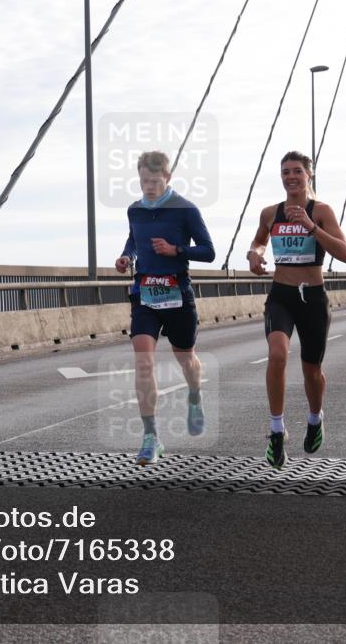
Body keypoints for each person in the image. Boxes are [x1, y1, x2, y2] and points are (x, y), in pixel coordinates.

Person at [247, 151, 346, 467]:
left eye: (296, 171)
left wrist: (311, 227)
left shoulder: (320, 211)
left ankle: (315, 418)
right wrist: (254, 255)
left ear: (309, 176)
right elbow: (259, 242)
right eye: (285, 172)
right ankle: (277, 431)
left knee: (312, 371)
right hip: (281, 295)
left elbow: (344, 253)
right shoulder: (269, 213)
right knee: (277, 355)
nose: (290, 177)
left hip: (314, 300)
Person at [115, 151, 215, 465]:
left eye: (155, 182)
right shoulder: (135, 210)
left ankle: (195, 395)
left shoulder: (186, 209)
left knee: (185, 358)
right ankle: (151, 436)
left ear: (168, 179)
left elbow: (209, 251)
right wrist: (126, 257)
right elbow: (134, 239)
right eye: (144, 181)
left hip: (177, 293)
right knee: (143, 361)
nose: (149, 187)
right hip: (145, 293)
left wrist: (176, 250)